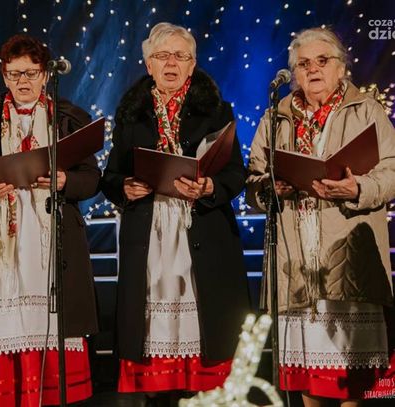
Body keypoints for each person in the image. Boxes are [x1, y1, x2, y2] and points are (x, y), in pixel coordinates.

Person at [101, 22, 250, 403]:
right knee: (152, 351)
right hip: (149, 235)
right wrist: (125, 187)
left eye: (181, 56)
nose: (171, 63)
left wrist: (210, 187)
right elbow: (111, 176)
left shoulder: (216, 111)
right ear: (148, 64)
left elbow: (236, 173)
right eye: (163, 56)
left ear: (193, 64)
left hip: (201, 233)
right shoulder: (131, 114)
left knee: (206, 345)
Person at [246, 27, 395, 406]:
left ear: (341, 67)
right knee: (308, 379)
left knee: (351, 380)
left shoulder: (366, 110)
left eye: (322, 61)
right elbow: (254, 180)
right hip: (297, 265)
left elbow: (392, 171)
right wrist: (271, 188)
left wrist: (358, 188)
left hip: (348, 261)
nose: (312, 69)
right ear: (294, 73)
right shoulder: (275, 118)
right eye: (303, 63)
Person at [0, 34, 99, 406]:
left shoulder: (66, 118)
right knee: (5, 326)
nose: (23, 81)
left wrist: (65, 181)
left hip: (51, 238)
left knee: (53, 324)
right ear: (4, 75)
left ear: (45, 75)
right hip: (2, 242)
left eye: (31, 73)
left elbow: (92, 178)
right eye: (15, 73)